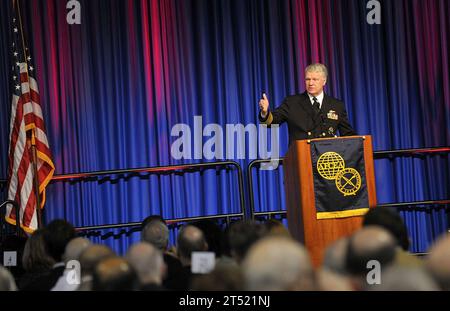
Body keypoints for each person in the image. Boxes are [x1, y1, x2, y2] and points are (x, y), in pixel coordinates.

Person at [259, 63, 356, 144]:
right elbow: (272, 123)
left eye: (315, 79)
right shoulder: (292, 102)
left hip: (327, 161)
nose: (311, 83)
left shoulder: (336, 105)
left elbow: (348, 135)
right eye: (307, 79)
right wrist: (265, 112)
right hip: (302, 159)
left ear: (324, 81)